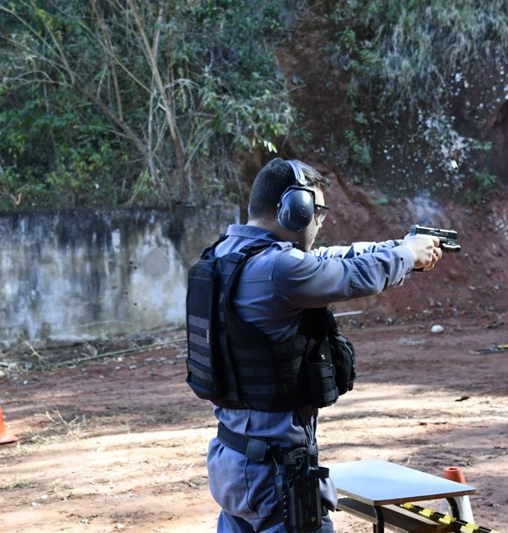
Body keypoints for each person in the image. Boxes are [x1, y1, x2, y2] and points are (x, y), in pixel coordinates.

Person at [185, 158, 443, 532]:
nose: (320, 221)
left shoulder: (223, 256)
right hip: (274, 475)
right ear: (294, 209)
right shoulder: (280, 269)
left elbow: (333, 256)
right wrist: (407, 256)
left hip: (232, 459)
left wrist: (400, 245)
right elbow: (350, 275)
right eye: (317, 210)